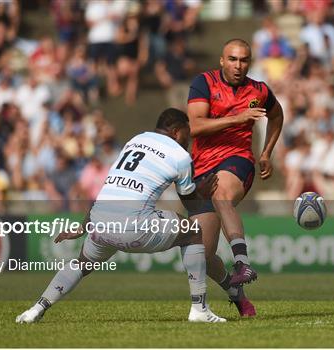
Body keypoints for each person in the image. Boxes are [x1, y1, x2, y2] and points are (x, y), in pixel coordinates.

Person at [16, 108, 226, 323]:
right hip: (133, 227)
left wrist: (83, 227)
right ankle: (199, 309)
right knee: (193, 232)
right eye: (187, 134)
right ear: (175, 131)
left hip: (100, 222)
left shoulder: (135, 140)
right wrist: (204, 193)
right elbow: (191, 204)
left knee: (82, 263)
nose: (188, 140)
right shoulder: (180, 156)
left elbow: (113, 186)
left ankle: (36, 308)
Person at [186, 39, 284, 316]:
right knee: (200, 254)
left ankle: (242, 262)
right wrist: (237, 118)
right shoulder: (203, 83)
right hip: (202, 168)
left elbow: (277, 116)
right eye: (232, 59)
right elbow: (195, 126)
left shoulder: (260, 90)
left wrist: (266, 153)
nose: (238, 66)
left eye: (243, 60)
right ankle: (234, 290)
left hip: (238, 160)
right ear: (221, 60)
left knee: (222, 194)